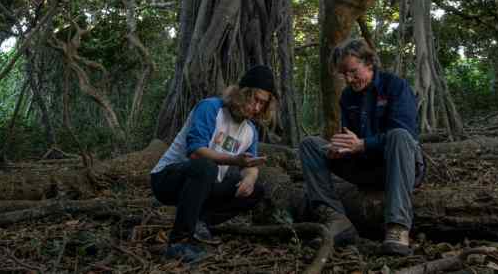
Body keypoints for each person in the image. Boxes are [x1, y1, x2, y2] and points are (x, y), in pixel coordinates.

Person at [299, 39, 424, 256]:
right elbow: (350, 137)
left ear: (369, 63)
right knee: (310, 145)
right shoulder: (348, 96)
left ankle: (397, 226)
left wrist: (362, 144)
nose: (349, 79)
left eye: (353, 72)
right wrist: (339, 148)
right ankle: (336, 220)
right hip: (365, 167)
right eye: (343, 74)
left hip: (399, 167)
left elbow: (406, 135)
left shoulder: (395, 86)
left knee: (399, 136)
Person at [150, 65, 278, 263]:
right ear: (242, 94)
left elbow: (250, 164)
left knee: (256, 191)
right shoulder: (211, 108)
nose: (257, 107)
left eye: (263, 103)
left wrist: (250, 178)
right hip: (169, 179)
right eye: (255, 99)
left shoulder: (250, 131)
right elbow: (196, 151)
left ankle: (201, 221)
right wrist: (234, 160)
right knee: (205, 165)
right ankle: (178, 243)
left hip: (205, 186)